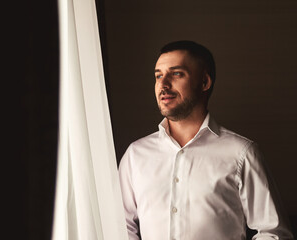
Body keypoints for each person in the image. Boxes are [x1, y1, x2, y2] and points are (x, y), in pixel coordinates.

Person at [118, 40, 294, 240]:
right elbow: (119, 227)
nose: (163, 84)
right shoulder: (135, 155)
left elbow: (274, 233)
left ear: (204, 82)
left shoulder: (241, 153)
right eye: (158, 75)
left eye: (176, 74)